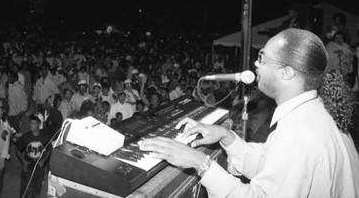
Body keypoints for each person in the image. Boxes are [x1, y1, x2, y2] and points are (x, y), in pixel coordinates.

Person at [139, 29, 359, 197]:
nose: (255, 64)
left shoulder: (299, 133)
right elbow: (270, 163)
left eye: (262, 58)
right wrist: (228, 137)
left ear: (287, 73)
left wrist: (200, 162)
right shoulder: (312, 113)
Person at [16, 115, 51, 198]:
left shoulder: (44, 137)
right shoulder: (25, 137)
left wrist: (43, 161)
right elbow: (17, 150)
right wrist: (23, 162)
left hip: (38, 168)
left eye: (34, 123)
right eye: (31, 123)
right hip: (27, 167)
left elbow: (49, 150)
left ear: (39, 125)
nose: (31, 125)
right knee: (25, 191)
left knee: (36, 191)